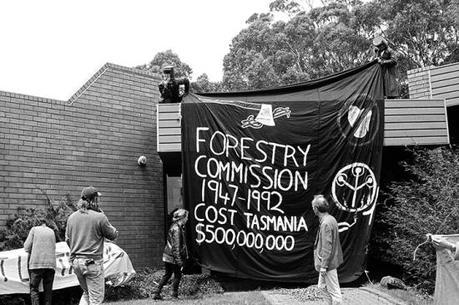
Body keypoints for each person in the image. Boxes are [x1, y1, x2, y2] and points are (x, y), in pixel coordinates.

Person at [65, 186, 118, 305]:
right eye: (98, 198)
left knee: (87, 293)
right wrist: (103, 215)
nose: (99, 201)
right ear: (93, 200)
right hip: (92, 263)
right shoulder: (99, 217)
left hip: (76, 262)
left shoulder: (71, 218)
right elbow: (113, 235)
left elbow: (68, 240)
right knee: (96, 299)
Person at [312, 195, 344, 305]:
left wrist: (324, 266)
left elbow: (327, 247)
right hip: (328, 261)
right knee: (321, 287)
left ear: (316, 208)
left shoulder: (326, 223)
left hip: (328, 263)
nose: (313, 209)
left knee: (335, 293)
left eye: (313, 207)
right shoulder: (331, 219)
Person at [153, 208, 189, 300]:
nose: (187, 219)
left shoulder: (175, 226)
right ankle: (174, 295)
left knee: (167, 274)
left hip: (167, 255)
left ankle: (157, 293)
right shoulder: (177, 229)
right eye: (186, 217)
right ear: (182, 218)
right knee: (177, 275)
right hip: (173, 257)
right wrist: (179, 261)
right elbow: (176, 247)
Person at [24, 216, 56, 305]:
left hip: (36, 264)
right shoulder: (51, 231)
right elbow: (54, 247)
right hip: (50, 264)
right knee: (48, 291)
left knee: (34, 289)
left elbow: (26, 247)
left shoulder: (34, 230)